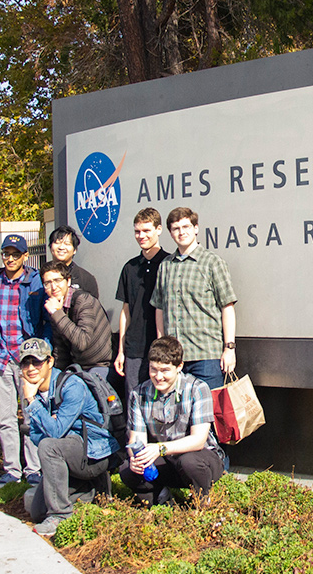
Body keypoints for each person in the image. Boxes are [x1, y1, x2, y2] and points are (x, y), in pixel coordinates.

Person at [17, 338, 118, 536]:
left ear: (50, 362)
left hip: (93, 455)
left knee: (50, 446)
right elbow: (37, 435)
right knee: (37, 512)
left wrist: (33, 403)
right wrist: (50, 421)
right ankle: (90, 489)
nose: (31, 368)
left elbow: (52, 434)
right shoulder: (34, 390)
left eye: (36, 362)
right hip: (68, 455)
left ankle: (61, 515)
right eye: (25, 362)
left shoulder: (71, 385)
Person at [0, 233, 51, 485]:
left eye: (15, 254)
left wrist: (44, 350)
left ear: (25, 256)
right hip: (0, 358)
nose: (9, 258)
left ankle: (33, 469)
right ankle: (12, 470)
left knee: (31, 415)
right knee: (6, 418)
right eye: (6, 254)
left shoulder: (35, 281)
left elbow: (46, 320)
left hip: (27, 360)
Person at [120, 336, 224, 506]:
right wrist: (136, 459)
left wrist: (160, 449)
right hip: (166, 459)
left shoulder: (198, 389)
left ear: (179, 367)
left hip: (202, 459)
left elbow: (198, 440)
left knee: (189, 462)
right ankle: (162, 500)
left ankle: (203, 501)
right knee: (126, 469)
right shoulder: (138, 394)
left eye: (165, 370)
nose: (158, 376)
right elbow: (135, 440)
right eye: (153, 369)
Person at [151, 207, 238, 391]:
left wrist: (229, 348)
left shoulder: (212, 263)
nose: (181, 232)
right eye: (176, 228)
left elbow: (227, 306)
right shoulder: (165, 266)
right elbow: (159, 308)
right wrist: (161, 347)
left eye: (186, 226)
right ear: (170, 232)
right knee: (180, 416)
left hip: (206, 356)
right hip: (174, 360)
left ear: (196, 228)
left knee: (211, 415)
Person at [114, 208, 169, 399]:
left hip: (161, 347)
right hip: (134, 349)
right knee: (134, 402)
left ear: (159, 229)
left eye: (146, 230)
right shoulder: (129, 268)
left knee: (161, 404)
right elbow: (125, 311)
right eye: (137, 231)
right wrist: (121, 351)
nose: (141, 236)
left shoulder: (169, 264)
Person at [42, 261, 112, 376]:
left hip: (101, 366)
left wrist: (57, 313)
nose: (53, 287)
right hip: (78, 367)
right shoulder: (55, 307)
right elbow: (60, 350)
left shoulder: (83, 300)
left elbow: (82, 342)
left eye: (57, 280)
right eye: (47, 283)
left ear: (68, 281)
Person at [48, 225, 100, 298]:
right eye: (57, 243)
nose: (61, 247)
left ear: (74, 250)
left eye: (67, 244)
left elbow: (93, 307)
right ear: (50, 247)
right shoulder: (41, 276)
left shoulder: (86, 279)